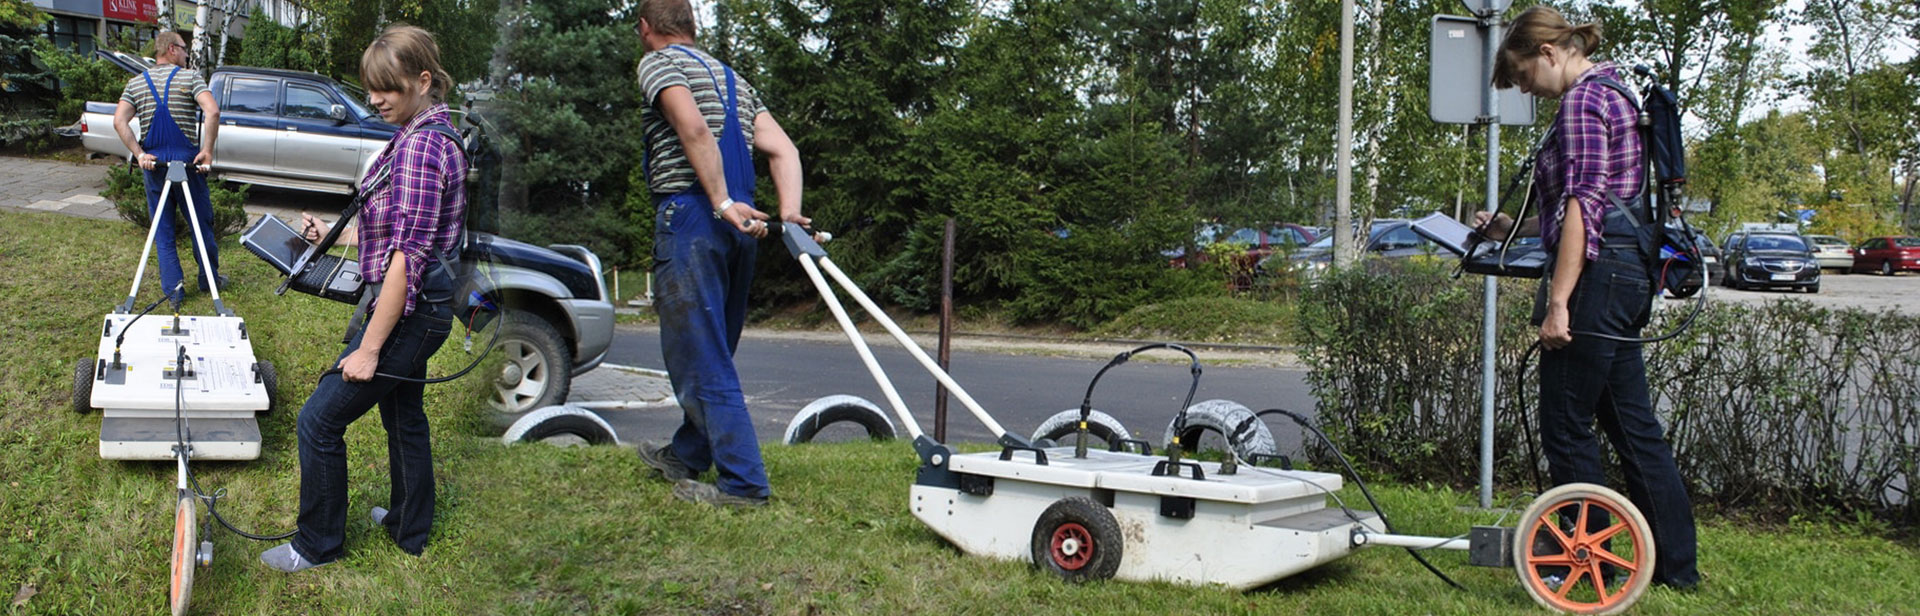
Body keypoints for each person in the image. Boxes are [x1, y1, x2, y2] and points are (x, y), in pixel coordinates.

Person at [1476, 5, 1700, 590]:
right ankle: (1677, 571)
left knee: (1566, 424)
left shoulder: (1581, 101)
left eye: (1525, 78)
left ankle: (1583, 562)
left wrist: (1559, 302)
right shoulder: (1618, 90)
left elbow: (1584, 208)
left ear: (1548, 53)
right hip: (1625, 273)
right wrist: (1510, 230)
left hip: (1597, 278)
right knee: (1632, 427)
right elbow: (1594, 203)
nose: (1530, 91)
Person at [260, 25, 467, 572]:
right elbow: (395, 230)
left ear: (423, 81)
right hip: (420, 305)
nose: (374, 99)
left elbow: (409, 257)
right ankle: (408, 528)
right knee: (404, 419)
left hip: (410, 309)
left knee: (319, 420)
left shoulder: (422, 146)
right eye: (370, 87)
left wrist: (371, 347)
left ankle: (317, 545)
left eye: (388, 89)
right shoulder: (420, 130)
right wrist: (331, 233)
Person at [630, 0, 808, 508]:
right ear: (691, 25)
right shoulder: (734, 80)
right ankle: (686, 453)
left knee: (700, 357)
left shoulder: (658, 63)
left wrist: (721, 200)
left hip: (695, 218)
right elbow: (784, 150)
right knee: (713, 351)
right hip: (741, 230)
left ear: (647, 29)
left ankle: (743, 484)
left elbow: (692, 128)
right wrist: (789, 214)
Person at [113, 31, 222, 304]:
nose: (187, 55)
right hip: (188, 165)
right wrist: (207, 151)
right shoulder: (191, 78)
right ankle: (209, 281)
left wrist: (139, 154)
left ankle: (174, 292)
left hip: (155, 167)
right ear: (172, 49)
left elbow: (119, 121)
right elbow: (213, 111)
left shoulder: (136, 83)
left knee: (163, 230)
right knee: (201, 225)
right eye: (185, 50)